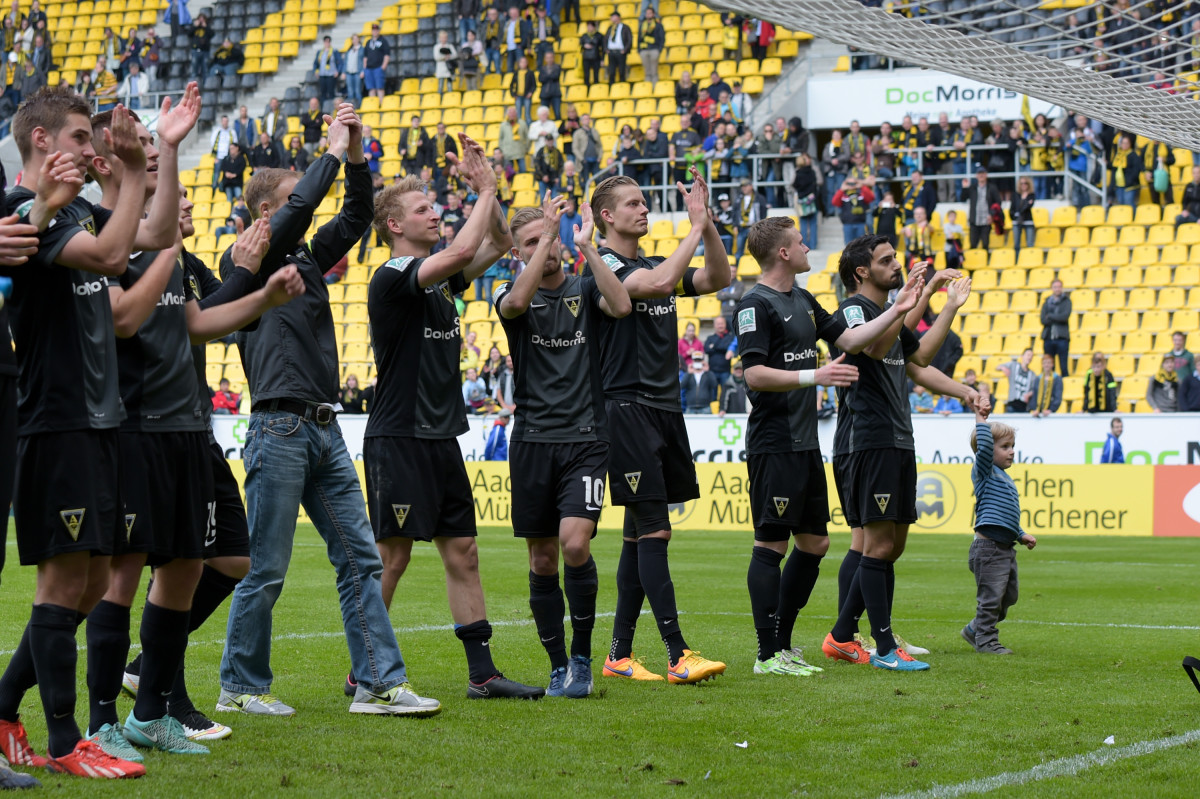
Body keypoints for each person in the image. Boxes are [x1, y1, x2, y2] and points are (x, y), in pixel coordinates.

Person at [217, 104, 441, 718]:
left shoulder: (306, 258)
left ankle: (377, 685)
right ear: (268, 211)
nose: (306, 207)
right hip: (279, 426)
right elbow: (303, 210)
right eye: (295, 200)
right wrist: (332, 152)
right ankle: (239, 687)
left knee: (361, 560)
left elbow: (357, 214)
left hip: (323, 426)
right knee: (266, 567)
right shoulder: (248, 257)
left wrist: (358, 156)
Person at [0, 88, 152, 779]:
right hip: (55, 417)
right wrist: (133, 169)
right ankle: (65, 741)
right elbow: (116, 256)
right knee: (64, 583)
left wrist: (151, 158)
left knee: (90, 583)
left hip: (97, 418)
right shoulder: (19, 211)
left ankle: (5, 707)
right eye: (81, 137)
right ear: (42, 140)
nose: (90, 149)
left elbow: (148, 235)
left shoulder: (73, 211)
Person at [365, 137, 543, 699]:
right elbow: (465, 251)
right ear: (395, 225)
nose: (434, 212)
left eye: (434, 205)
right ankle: (365, 668)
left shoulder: (439, 283)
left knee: (463, 553)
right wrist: (485, 191)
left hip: (440, 436)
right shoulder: (392, 273)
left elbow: (499, 243)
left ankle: (482, 675)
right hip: (399, 435)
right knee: (392, 558)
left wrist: (488, 190)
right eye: (422, 208)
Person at [736, 216, 927, 677]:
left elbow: (852, 340)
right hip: (773, 442)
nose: (807, 249)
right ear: (784, 253)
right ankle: (767, 654)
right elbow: (753, 374)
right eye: (801, 243)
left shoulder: (804, 300)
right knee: (771, 543)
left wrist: (900, 307)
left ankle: (784, 645)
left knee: (817, 543)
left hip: (806, 442)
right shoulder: (754, 304)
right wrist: (814, 375)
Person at [589, 170, 730, 684]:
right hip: (626, 408)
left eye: (645, 202)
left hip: (663, 407)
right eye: (633, 203)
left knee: (637, 535)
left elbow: (718, 278)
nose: (644, 209)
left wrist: (706, 225)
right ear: (607, 216)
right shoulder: (603, 263)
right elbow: (660, 285)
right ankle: (677, 654)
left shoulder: (651, 262)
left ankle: (619, 655)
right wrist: (692, 228)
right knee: (655, 528)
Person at [821, 236, 979, 672]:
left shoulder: (887, 314)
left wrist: (948, 307)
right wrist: (908, 303)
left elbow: (920, 357)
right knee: (874, 544)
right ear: (862, 272)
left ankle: (847, 635)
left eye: (895, 257)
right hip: (866, 440)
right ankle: (881, 645)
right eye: (886, 259)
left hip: (897, 438)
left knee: (889, 546)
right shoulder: (853, 311)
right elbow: (871, 348)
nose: (896, 264)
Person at [494, 196, 631, 697]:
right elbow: (515, 304)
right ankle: (556, 665)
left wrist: (588, 248)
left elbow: (622, 306)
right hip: (532, 441)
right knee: (542, 560)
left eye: (548, 238)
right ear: (516, 252)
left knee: (575, 544)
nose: (545, 247)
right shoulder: (509, 293)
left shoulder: (586, 288)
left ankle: (581, 658)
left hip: (586, 439)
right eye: (532, 242)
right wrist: (549, 235)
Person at [963, 415, 1037, 655]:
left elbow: (1006, 515)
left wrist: (1021, 534)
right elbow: (984, 446)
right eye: (1005, 446)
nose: (1012, 451)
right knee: (991, 598)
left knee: (1008, 596)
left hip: (1005, 547)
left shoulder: (1005, 478)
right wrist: (981, 418)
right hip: (988, 549)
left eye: (1013, 446)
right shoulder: (985, 471)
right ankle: (986, 640)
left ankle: (974, 629)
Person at [1040, 278, 1072, 377]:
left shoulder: (1067, 301)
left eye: (1059, 287)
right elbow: (1043, 320)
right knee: (1049, 368)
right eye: (1055, 287)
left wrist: (1050, 315)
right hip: (1048, 337)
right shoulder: (1046, 302)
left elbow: (1064, 317)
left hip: (1062, 338)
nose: (1057, 289)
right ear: (1052, 288)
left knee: (1063, 367)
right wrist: (1057, 317)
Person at [965, 167, 1001, 251]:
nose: (981, 175)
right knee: (973, 244)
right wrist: (964, 188)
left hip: (986, 220)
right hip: (974, 220)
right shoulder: (972, 187)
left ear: (986, 175)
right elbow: (963, 198)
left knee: (985, 244)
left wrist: (991, 214)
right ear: (976, 176)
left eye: (983, 173)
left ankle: (985, 258)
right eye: (979, 173)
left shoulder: (992, 187)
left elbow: (998, 203)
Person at [832, 176, 873, 245]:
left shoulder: (861, 193)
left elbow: (871, 198)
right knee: (849, 246)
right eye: (849, 183)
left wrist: (862, 186)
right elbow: (834, 202)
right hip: (847, 224)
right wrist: (841, 189)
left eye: (853, 183)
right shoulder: (843, 195)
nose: (851, 185)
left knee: (861, 245)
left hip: (860, 223)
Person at [997, 347, 1035, 413]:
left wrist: (1029, 394)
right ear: (1022, 356)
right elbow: (997, 367)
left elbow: (1034, 389)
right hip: (1012, 404)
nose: (1029, 357)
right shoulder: (1013, 365)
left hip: (1024, 406)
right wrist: (1003, 368)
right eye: (1028, 355)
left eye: (1031, 356)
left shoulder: (1032, 374)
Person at [637, 8, 664, 86]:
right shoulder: (642, 25)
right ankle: (647, 86)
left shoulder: (658, 25)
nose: (648, 15)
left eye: (650, 13)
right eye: (647, 13)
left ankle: (655, 86)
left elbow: (662, 38)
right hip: (644, 50)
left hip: (654, 49)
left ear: (653, 14)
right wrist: (639, 50)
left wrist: (659, 49)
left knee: (654, 69)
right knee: (647, 70)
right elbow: (639, 38)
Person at [363, 24, 390, 100]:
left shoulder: (383, 41)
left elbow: (387, 55)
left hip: (378, 68)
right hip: (369, 68)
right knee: (371, 88)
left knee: (380, 88)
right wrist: (365, 67)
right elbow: (365, 56)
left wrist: (383, 67)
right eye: (373, 30)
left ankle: (381, 104)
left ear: (379, 31)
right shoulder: (368, 42)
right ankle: (372, 104)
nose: (375, 32)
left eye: (376, 30)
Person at [313, 36, 344, 103]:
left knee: (331, 92)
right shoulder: (320, 52)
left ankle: (331, 106)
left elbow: (340, 62)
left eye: (328, 41)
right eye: (326, 42)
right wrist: (316, 71)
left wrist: (338, 71)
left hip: (331, 75)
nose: (327, 43)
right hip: (322, 75)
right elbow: (316, 63)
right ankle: (323, 106)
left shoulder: (334, 51)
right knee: (323, 92)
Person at [604, 12, 631, 84]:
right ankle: (611, 86)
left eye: (613, 17)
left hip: (620, 52)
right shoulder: (610, 28)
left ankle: (622, 85)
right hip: (611, 52)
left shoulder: (625, 27)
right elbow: (606, 39)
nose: (611, 18)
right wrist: (606, 49)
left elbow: (629, 39)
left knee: (622, 70)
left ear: (618, 17)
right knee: (611, 71)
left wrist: (625, 50)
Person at [1011, 177, 1036, 255]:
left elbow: (1027, 207)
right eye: (1021, 183)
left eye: (1025, 183)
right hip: (1017, 221)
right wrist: (1014, 216)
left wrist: (1019, 211)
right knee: (1016, 244)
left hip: (1028, 220)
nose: (1023, 185)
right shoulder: (1015, 195)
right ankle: (1017, 260)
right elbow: (1012, 208)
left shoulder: (1031, 195)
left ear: (1029, 185)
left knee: (1030, 244)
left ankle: (1029, 259)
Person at [511, 56, 537, 124]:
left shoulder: (530, 73)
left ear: (527, 63)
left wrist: (531, 92)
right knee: (518, 114)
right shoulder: (516, 73)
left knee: (527, 114)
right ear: (519, 63)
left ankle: (529, 128)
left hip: (527, 96)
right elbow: (511, 85)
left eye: (524, 62)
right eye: (521, 62)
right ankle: (519, 128)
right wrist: (513, 94)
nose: (523, 64)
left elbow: (534, 85)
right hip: (518, 96)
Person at [579, 19, 603, 87]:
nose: (589, 28)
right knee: (586, 74)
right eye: (588, 26)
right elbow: (579, 46)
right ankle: (587, 87)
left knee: (596, 74)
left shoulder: (599, 36)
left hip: (596, 57)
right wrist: (584, 46)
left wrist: (602, 59)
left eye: (590, 26)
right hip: (586, 57)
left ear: (594, 27)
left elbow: (602, 48)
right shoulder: (584, 36)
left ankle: (595, 87)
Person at [343, 33, 364, 107]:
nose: (354, 40)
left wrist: (363, 71)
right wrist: (344, 72)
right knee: (350, 92)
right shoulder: (349, 50)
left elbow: (364, 61)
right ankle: (350, 107)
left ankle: (359, 107)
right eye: (353, 39)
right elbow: (346, 61)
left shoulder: (362, 49)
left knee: (358, 91)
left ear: (359, 39)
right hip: (349, 72)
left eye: (356, 38)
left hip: (357, 72)